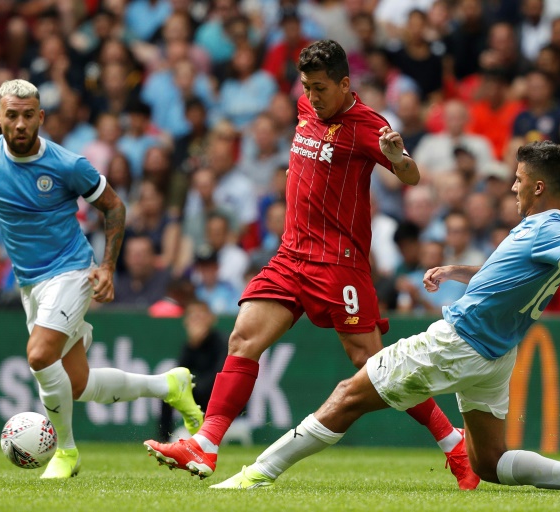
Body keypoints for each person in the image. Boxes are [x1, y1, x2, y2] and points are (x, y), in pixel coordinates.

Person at [210, 141, 560, 492]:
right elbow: (506, 275)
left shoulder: (548, 232)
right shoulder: (541, 232)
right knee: (489, 462)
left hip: (457, 342)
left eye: (519, 180)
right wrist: (462, 271)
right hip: (495, 355)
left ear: (540, 186)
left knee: (346, 396)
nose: (514, 186)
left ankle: (255, 475)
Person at [144, 40, 478, 489]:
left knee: (374, 365)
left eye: (321, 88)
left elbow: (412, 176)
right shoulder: (305, 107)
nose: (314, 96)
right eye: (307, 87)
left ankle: (452, 441)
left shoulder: (367, 125)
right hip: (291, 253)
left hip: (338, 263)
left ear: (344, 84)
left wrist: (399, 159)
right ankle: (206, 442)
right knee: (243, 338)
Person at [0, 79, 204, 479]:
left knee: (39, 355)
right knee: (75, 385)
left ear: (41, 117)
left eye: (28, 116)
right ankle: (168, 386)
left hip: (71, 270)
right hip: (29, 284)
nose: (20, 124)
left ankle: (66, 451)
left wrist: (106, 267)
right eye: (12, 116)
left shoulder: (66, 164)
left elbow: (114, 208)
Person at [158, 300, 228, 440]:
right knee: (168, 388)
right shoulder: (189, 346)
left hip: (219, 401)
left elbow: (219, 378)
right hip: (197, 395)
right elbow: (179, 374)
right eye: (192, 317)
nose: (197, 322)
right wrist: (193, 345)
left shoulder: (222, 342)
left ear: (211, 318)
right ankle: (164, 439)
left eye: (201, 316)